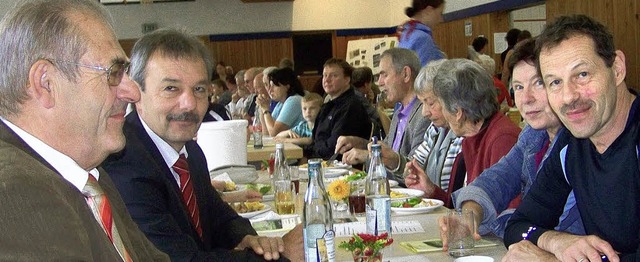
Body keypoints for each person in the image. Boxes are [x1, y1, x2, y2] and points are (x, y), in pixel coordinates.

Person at [102, 28, 302, 261]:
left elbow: (217, 215)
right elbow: (178, 259)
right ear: (137, 93)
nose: (188, 104)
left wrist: (248, 239)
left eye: (199, 89)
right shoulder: (125, 164)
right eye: (171, 88)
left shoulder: (190, 152)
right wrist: (281, 254)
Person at [0, 0, 170, 260]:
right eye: (113, 73)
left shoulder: (87, 173)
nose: (133, 92)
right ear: (46, 83)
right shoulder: (14, 194)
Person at [503, 15, 638, 262]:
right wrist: (557, 241)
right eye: (554, 82)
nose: (568, 97)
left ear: (617, 68)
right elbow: (518, 226)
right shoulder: (572, 144)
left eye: (582, 74)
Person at [438, 39, 585, 252]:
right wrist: (470, 214)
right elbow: (498, 178)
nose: (526, 98)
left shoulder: (579, 142)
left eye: (538, 83)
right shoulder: (533, 135)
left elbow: (554, 225)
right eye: (518, 87)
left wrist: (502, 223)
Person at [405, 59, 521, 206]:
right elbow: (462, 206)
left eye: (440, 104)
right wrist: (431, 191)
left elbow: (506, 215)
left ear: (458, 112)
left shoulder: (502, 140)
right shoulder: (471, 138)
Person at [339, 48, 430, 187]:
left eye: (384, 74)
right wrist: (358, 142)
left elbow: (415, 169)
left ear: (405, 74)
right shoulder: (400, 109)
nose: (380, 82)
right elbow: (386, 148)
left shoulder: (424, 114)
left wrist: (367, 155)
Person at [403, 60, 463, 203]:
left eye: (430, 103)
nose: (424, 112)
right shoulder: (435, 129)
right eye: (422, 103)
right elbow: (415, 163)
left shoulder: (464, 133)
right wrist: (410, 172)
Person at [308, 58, 371, 160]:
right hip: (319, 160)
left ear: (347, 80)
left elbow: (333, 148)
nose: (327, 80)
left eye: (333, 75)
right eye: (325, 75)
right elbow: (314, 139)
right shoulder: (327, 106)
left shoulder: (351, 106)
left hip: (341, 167)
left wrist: (310, 152)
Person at [257, 67, 305, 137]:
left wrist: (266, 110)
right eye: (270, 86)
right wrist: (262, 108)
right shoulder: (280, 104)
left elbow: (274, 133)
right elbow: (266, 133)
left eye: (274, 86)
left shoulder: (294, 100)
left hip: (299, 146)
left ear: (287, 86)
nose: (270, 90)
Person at [398, 0, 445, 66]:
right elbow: (431, 74)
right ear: (429, 11)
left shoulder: (406, 34)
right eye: (440, 13)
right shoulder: (422, 38)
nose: (441, 19)